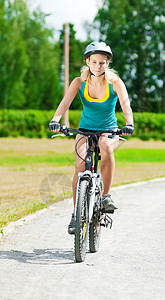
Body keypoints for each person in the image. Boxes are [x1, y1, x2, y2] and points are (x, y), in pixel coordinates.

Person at [49, 41, 134, 234]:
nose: (98, 66)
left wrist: (129, 124)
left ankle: (105, 196)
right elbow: (65, 102)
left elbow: (126, 105)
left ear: (107, 63)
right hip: (85, 129)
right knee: (80, 166)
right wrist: (55, 120)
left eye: (102, 62)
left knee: (105, 146)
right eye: (94, 61)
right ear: (87, 61)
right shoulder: (79, 83)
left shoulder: (115, 83)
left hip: (109, 130)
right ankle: (76, 214)